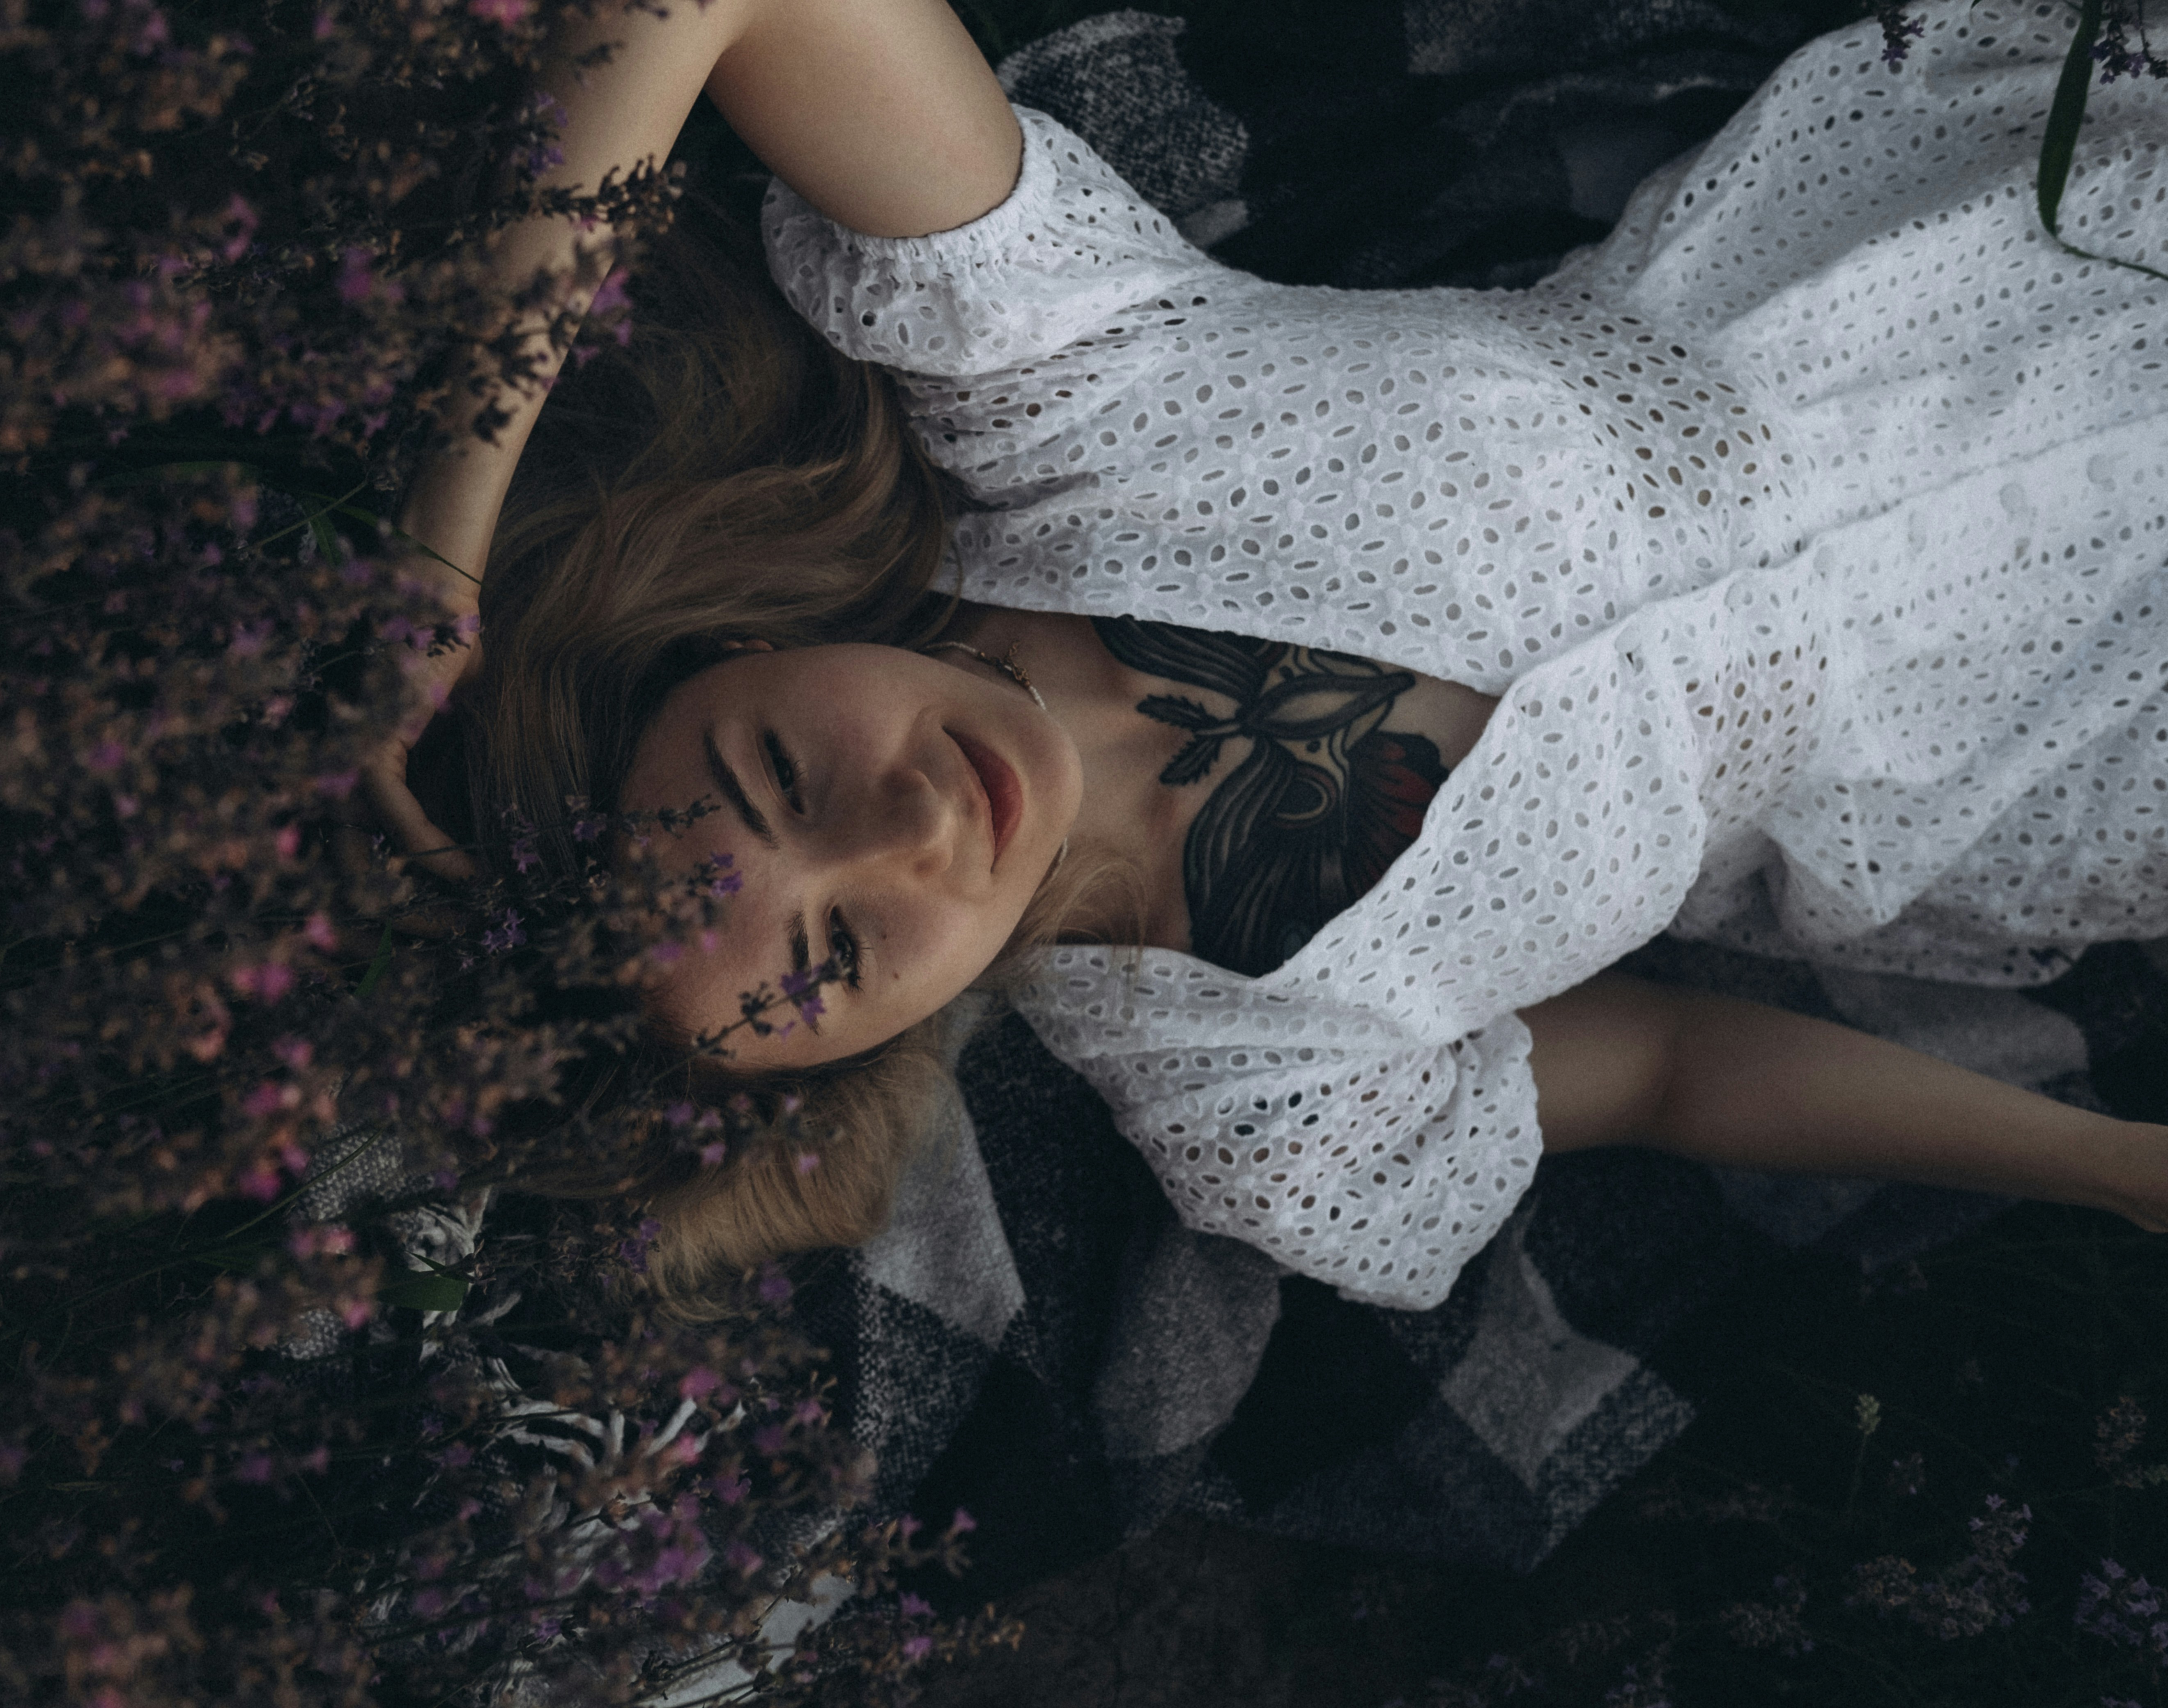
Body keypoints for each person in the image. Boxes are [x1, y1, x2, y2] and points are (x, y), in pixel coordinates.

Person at [362, 0, 2168, 1311]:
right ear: (868, 1056)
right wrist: (2112, 1167)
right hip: (2039, 725)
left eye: (777, 773)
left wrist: (441, 539)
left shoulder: (1060, 391)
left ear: (737, 639)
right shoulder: (1261, 1089)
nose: (911, 819)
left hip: (1970, 264)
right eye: (836, 950)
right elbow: (1683, 1064)